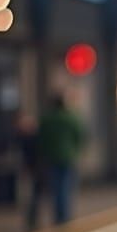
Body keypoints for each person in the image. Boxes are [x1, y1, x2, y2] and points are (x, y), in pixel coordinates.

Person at [37, 94, 86, 224]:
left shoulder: (47, 119)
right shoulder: (71, 119)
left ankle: (58, 215)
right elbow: (80, 136)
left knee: (55, 187)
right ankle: (64, 215)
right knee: (66, 186)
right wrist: (76, 150)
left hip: (51, 157)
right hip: (69, 156)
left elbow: (41, 138)